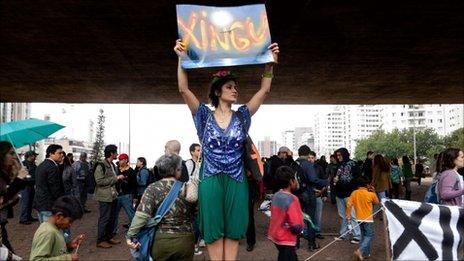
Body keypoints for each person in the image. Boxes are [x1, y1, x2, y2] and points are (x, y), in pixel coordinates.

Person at [174, 38, 279, 260]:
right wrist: (181, 58)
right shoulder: (203, 116)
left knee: (233, 228)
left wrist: (269, 65)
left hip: (236, 178)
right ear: (217, 91)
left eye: (236, 87)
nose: (235, 90)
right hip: (210, 178)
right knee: (213, 230)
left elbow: (265, 91)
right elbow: (183, 89)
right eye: (230, 87)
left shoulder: (242, 116)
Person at [126, 154, 198, 261]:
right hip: (186, 240)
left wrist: (130, 235)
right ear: (177, 170)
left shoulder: (152, 188)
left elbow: (142, 216)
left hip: (161, 240)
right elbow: (197, 214)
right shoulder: (188, 188)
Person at [30, 195, 84, 261]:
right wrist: (68, 258)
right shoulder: (47, 233)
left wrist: (69, 246)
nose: (70, 225)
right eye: (70, 221)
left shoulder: (56, 228)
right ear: (59, 216)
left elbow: (56, 251)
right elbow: (36, 259)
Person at [295, 145, 328, 251]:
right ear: (308, 153)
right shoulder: (307, 164)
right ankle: (311, 244)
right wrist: (326, 182)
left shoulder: (293, 164)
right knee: (310, 220)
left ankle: (296, 243)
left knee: (297, 219)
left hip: (296, 195)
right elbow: (313, 179)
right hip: (308, 194)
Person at [267, 166, 304, 261]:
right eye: (295, 179)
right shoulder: (292, 199)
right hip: (287, 238)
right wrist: (301, 229)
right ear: (291, 181)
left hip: (276, 236)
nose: (296, 181)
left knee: (285, 256)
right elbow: (296, 225)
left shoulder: (276, 195)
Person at [95, 145, 126, 249]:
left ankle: (108, 237)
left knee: (112, 218)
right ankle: (100, 240)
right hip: (105, 196)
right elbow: (99, 181)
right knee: (104, 218)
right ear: (111, 153)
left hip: (112, 195)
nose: (117, 154)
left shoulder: (112, 164)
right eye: (116, 152)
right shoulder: (101, 165)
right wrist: (116, 178)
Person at [0, 141, 28, 253]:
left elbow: (5, 198)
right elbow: (3, 199)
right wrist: (19, 179)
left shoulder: (4, 173)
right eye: (11, 153)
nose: (13, 156)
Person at [346, 176, 380, 260]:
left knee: (363, 236)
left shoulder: (354, 193)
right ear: (367, 185)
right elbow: (377, 202)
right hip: (368, 219)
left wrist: (348, 215)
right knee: (369, 235)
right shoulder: (371, 194)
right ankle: (360, 251)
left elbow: (349, 204)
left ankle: (365, 254)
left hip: (358, 218)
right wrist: (374, 192)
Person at [333, 147, 361, 243]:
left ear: (345, 154)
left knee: (353, 215)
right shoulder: (338, 165)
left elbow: (357, 179)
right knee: (342, 215)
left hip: (350, 193)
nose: (338, 157)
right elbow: (335, 178)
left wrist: (351, 188)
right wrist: (335, 181)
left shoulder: (353, 164)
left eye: (340, 155)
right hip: (339, 193)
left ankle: (357, 235)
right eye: (337, 155)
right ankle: (343, 234)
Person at [34, 144, 65, 223]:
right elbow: (55, 188)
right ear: (51, 154)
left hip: (40, 203)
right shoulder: (52, 167)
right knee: (50, 231)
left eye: (62, 153)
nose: (62, 155)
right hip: (49, 204)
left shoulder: (41, 165)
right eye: (59, 153)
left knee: (44, 230)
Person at [114, 153, 137, 231]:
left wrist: (135, 197)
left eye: (121, 159)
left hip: (127, 195)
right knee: (114, 215)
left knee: (131, 214)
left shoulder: (131, 171)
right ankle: (113, 231)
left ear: (126, 160)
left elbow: (134, 184)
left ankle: (135, 230)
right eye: (119, 159)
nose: (120, 161)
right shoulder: (116, 169)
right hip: (116, 195)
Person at [308, 151, 328, 239]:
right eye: (309, 158)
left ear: (315, 158)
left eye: (312, 158)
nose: (310, 159)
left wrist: (323, 193)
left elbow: (324, 180)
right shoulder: (305, 167)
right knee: (308, 214)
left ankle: (317, 231)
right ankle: (307, 232)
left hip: (318, 194)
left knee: (318, 215)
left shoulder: (319, 167)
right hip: (308, 194)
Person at [19, 150, 39, 225]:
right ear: (30, 156)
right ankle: (23, 218)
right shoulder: (22, 164)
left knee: (30, 202)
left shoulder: (33, 165)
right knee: (25, 202)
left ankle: (28, 216)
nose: (35, 157)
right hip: (25, 186)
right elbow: (20, 177)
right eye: (34, 155)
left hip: (31, 185)